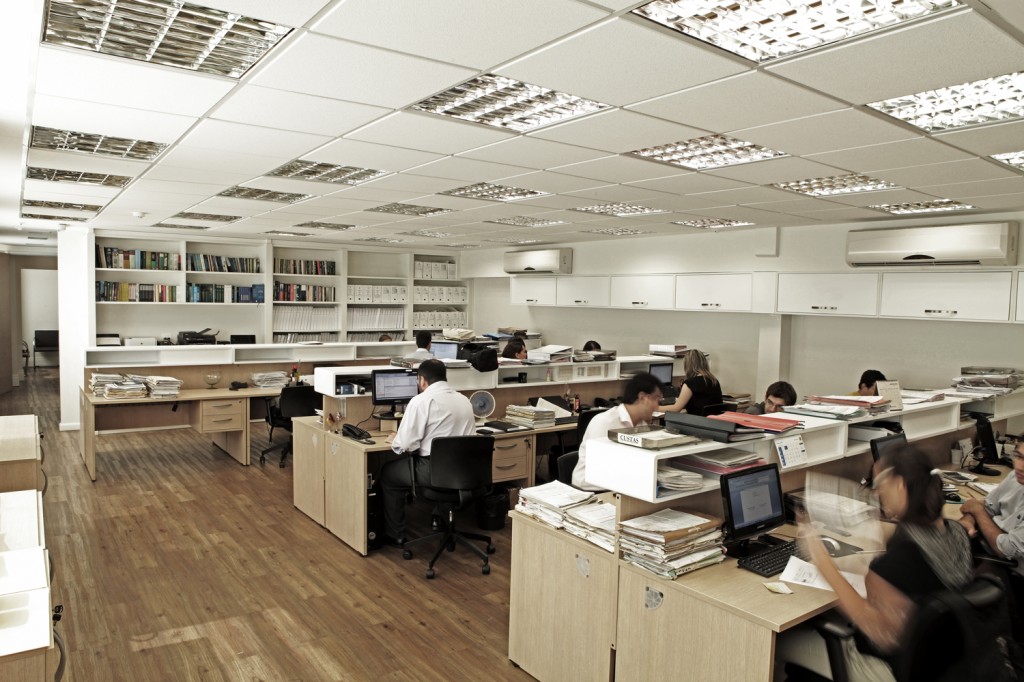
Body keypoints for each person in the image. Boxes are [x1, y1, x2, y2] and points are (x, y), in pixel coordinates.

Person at [779, 445, 974, 680]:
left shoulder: (899, 560)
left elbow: (876, 629)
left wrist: (821, 559)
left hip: (885, 670)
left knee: (782, 641)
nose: (877, 492)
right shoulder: (957, 534)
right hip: (944, 667)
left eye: (881, 483)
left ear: (900, 485)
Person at [379, 360, 476, 544]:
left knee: (387, 474)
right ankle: (438, 519)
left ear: (422, 380)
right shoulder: (464, 400)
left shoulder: (420, 401)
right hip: (464, 470)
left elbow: (406, 445)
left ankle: (395, 535)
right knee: (443, 465)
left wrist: (397, 439)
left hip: (432, 470)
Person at [572, 373, 663, 491]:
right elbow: (600, 470)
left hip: (619, 486)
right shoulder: (605, 423)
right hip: (591, 490)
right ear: (642, 398)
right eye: (656, 399)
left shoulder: (642, 425)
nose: (657, 407)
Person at [959, 436, 1024, 564]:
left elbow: (1005, 549)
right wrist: (968, 521)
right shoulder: (1015, 477)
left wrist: (977, 511)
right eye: (1019, 457)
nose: (1020, 466)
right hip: (988, 542)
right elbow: (988, 506)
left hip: (1009, 566)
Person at [660, 348, 723, 415]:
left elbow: (676, 409)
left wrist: (654, 407)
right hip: (713, 420)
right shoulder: (714, 380)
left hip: (696, 420)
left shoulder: (690, 383)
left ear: (688, 365)